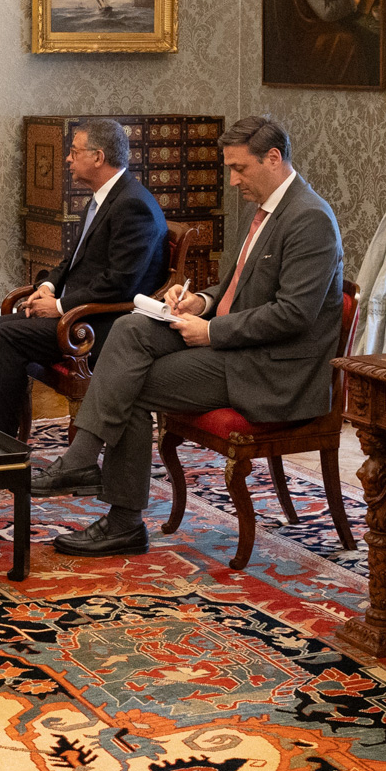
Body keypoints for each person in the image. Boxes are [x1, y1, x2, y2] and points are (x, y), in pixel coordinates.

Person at [31, 116, 344, 558]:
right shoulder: (264, 207)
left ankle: (116, 513)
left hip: (269, 368)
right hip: (238, 345)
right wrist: (201, 301)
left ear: (273, 158)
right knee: (131, 328)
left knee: (129, 384)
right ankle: (85, 469)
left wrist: (211, 330)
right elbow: (238, 284)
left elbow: (294, 315)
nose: (233, 181)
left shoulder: (310, 218)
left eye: (239, 168)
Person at [0, 119, 167, 437]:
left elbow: (120, 283)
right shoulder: (104, 196)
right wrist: (47, 287)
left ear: (98, 157)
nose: (67, 159)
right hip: (79, 313)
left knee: (7, 335)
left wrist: (60, 307)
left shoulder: (133, 206)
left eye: (74, 152)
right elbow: (73, 260)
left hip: (102, 325)